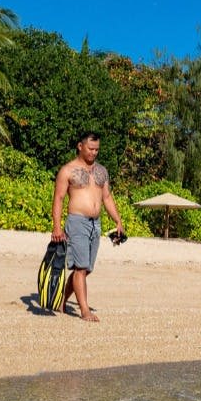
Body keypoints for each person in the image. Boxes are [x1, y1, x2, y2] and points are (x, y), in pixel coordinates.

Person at [51, 132, 124, 322]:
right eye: (91, 149)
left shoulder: (101, 171)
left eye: (97, 149)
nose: (94, 153)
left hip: (95, 224)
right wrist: (57, 228)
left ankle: (62, 301)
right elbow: (58, 199)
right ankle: (84, 311)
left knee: (86, 269)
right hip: (77, 222)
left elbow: (106, 197)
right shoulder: (68, 170)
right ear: (80, 146)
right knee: (80, 267)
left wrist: (118, 220)